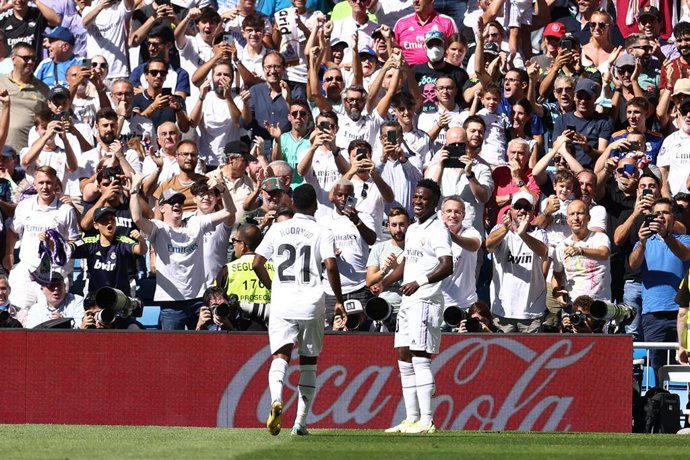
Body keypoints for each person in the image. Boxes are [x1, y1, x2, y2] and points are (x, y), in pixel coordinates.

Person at [253, 183, 345, 436]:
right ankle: (300, 424)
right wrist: (339, 299)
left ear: (293, 204)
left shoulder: (278, 228)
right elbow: (331, 266)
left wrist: (275, 287)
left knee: (280, 355)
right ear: (315, 205)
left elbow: (257, 263)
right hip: (312, 301)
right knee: (309, 362)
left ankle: (275, 398)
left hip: (283, 302)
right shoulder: (322, 231)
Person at [384, 179, 452, 434]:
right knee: (403, 356)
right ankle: (410, 418)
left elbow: (447, 264)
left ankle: (427, 421)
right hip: (408, 300)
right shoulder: (412, 229)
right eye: (415, 197)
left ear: (434, 201)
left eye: (423, 198)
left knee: (420, 357)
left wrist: (419, 282)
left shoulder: (438, 229)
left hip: (426, 299)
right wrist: (384, 280)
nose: (418, 201)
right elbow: (407, 263)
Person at [129, 172, 235, 330]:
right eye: (171, 202)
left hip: (199, 299)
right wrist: (134, 190)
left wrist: (222, 188)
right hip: (171, 303)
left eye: (179, 202)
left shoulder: (196, 222)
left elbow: (229, 211)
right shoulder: (158, 228)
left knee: (206, 346)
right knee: (171, 351)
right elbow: (137, 218)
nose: (176, 205)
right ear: (162, 208)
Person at [630, 197, 690, 378]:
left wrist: (666, 236)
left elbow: (684, 255)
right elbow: (633, 264)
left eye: (665, 212)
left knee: (685, 365)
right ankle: (658, 403)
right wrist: (642, 242)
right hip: (653, 314)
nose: (660, 217)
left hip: (682, 314)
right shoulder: (645, 242)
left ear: (673, 216)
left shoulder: (685, 239)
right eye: (656, 213)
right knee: (657, 368)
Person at [4, 166, 80, 310]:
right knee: (18, 315)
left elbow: (74, 242)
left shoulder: (66, 210)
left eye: (49, 183)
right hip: (26, 271)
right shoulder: (24, 206)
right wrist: (8, 254)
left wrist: (57, 245)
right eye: (41, 183)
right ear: (35, 184)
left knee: (49, 321)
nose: (45, 187)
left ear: (55, 184)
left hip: (54, 274)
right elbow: (13, 231)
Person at [486, 191, 549, 333]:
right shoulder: (499, 229)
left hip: (531, 311)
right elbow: (489, 245)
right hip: (503, 310)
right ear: (511, 210)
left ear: (533, 212)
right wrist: (505, 228)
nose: (522, 210)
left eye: (527, 207)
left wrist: (523, 234)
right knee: (501, 355)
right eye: (518, 206)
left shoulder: (539, 232)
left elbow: (543, 252)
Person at [321, 179, 376, 330]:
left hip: (359, 286)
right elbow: (317, 255)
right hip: (331, 290)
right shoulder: (323, 222)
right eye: (340, 195)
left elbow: (371, 239)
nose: (343, 199)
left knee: (362, 332)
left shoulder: (364, 217)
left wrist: (356, 220)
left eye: (347, 195)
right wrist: (328, 255)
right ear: (333, 195)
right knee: (333, 333)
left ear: (353, 196)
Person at [68, 206, 146, 295]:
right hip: (95, 296)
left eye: (112, 219)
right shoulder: (90, 242)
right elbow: (68, 249)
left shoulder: (123, 241)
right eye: (104, 220)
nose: (109, 222)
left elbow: (141, 251)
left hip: (120, 296)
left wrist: (141, 240)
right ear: (96, 225)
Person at [552, 200, 611, 307]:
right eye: (572, 214)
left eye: (580, 213)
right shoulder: (561, 247)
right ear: (567, 219)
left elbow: (604, 253)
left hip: (599, 306)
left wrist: (581, 250)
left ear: (588, 218)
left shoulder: (599, 238)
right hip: (574, 307)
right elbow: (556, 275)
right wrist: (557, 293)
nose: (576, 218)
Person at [215, 223, 272, 330]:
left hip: (236, 328)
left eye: (234, 240)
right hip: (267, 328)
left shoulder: (228, 269)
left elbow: (214, 298)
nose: (233, 245)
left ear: (243, 245)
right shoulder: (273, 267)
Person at [0, 42, 50, 152]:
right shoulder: (1, 83)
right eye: (26, 58)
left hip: (28, 155)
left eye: (33, 58)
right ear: (13, 59)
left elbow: (47, 119)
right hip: (3, 155)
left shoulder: (43, 89)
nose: (30, 62)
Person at [366, 207, 409, 331]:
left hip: (406, 308)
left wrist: (397, 268)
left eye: (402, 225)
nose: (398, 229)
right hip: (382, 310)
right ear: (388, 226)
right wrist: (384, 270)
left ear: (408, 225)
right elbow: (369, 281)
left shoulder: (414, 248)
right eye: (394, 225)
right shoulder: (379, 248)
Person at [439, 196, 481, 314]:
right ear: (442, 214)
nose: (453, 215)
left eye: (457, 212)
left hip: (466, 306)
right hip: (439, 305)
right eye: (449, 211)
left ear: (463, 215)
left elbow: (474, 245)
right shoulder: (434, 234)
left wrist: (451, 236)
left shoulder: (471, 232)